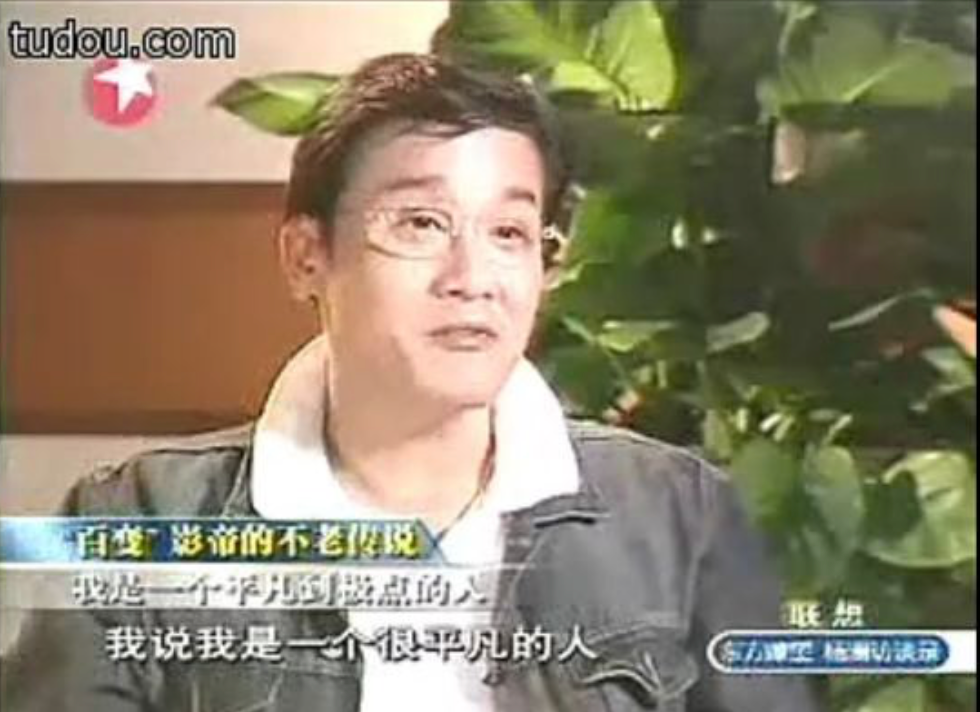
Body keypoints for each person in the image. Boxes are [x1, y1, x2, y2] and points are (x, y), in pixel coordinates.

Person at [1, 53, 821, 712]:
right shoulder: (139, 519)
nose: (474, 277)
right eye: (422, 223)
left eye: (509, 232)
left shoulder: (680, 514)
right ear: (307, 256)